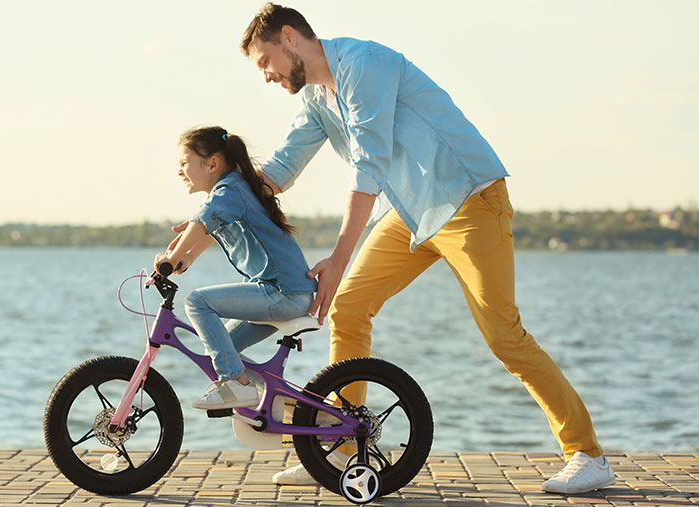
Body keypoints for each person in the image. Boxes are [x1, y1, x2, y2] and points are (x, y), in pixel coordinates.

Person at [236, 2, 615, 495]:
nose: (266, 76)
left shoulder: (362, 64)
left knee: (504, 336)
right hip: (411, 214)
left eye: (265, 63)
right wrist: (222, 199)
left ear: (290, 38)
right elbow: (282, 169)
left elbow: (369, 164)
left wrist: (339, 256)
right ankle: (345, 447)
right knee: (349, 307)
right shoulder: (316, 98)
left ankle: (587, 454)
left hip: (470, 201)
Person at [155, 126, 317, 411]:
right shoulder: (236, 188)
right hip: (287, 291)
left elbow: (203, 221)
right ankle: (297, 409)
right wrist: (185, 258)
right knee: (221, 346)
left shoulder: (230, 189)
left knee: (197, 302)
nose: (179, 172)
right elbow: (211, 228)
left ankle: (236, 385)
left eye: (184, 163)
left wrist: (172, 257)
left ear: (213, 163)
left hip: (282, 292)